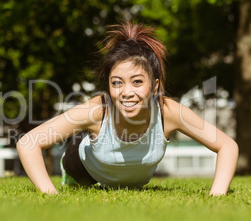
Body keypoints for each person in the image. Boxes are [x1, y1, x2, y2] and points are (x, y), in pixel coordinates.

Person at [17, 22, 238, 196]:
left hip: (133, 181)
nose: (126, 92)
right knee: (79, 170)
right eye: (117, 83)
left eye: (138, 82)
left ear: (156, 86)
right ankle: (71, 172)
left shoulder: (168, 112)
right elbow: (27, 144)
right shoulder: (97, 110)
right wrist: (51, 195)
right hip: (85, 167)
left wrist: (216, 197)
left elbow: (227, 146)